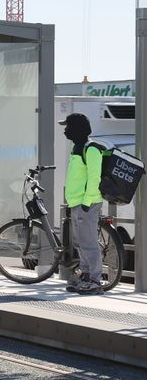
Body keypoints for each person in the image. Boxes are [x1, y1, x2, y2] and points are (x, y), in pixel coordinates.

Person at [60, 112, 104, 294]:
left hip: (88, 203)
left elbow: (95, 178)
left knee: (89, 243)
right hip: (77, 203)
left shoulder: (91, 149)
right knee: (80, 243)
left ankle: (95, 280)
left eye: (68, 127)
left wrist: (86, 202)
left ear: (77, 128)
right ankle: (85, 276)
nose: (65, 131)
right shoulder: (76, 148)